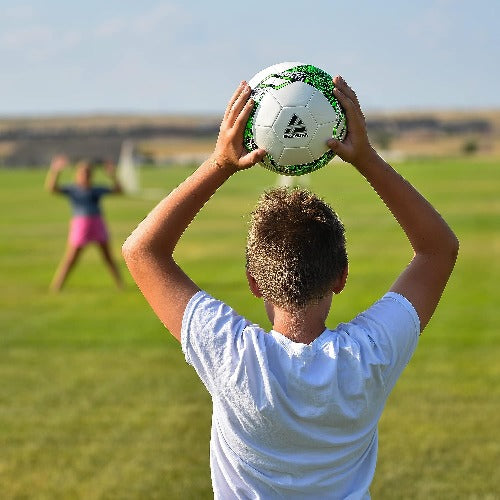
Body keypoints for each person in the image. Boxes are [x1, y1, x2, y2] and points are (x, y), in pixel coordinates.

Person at [122, 77, 459, 498]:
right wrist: (367, 159)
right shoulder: (370, 354)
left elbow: (142, 251)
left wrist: (219, 164)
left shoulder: (233, 355)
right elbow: (438, 250)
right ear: (341, 275)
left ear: (253, 281)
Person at [46, 155, 124, 291]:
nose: (85, 175)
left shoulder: (96, 189)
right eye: (83, 172)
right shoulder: (73, 189)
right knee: (71, 258)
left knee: (108, 257)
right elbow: (52, 189)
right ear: (77, 174)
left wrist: (112, 175)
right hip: (80, 225)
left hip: (97, 224)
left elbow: (119, 191)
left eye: (88, 173)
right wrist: (55, 172)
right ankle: (57, 286)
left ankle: (120, 285)